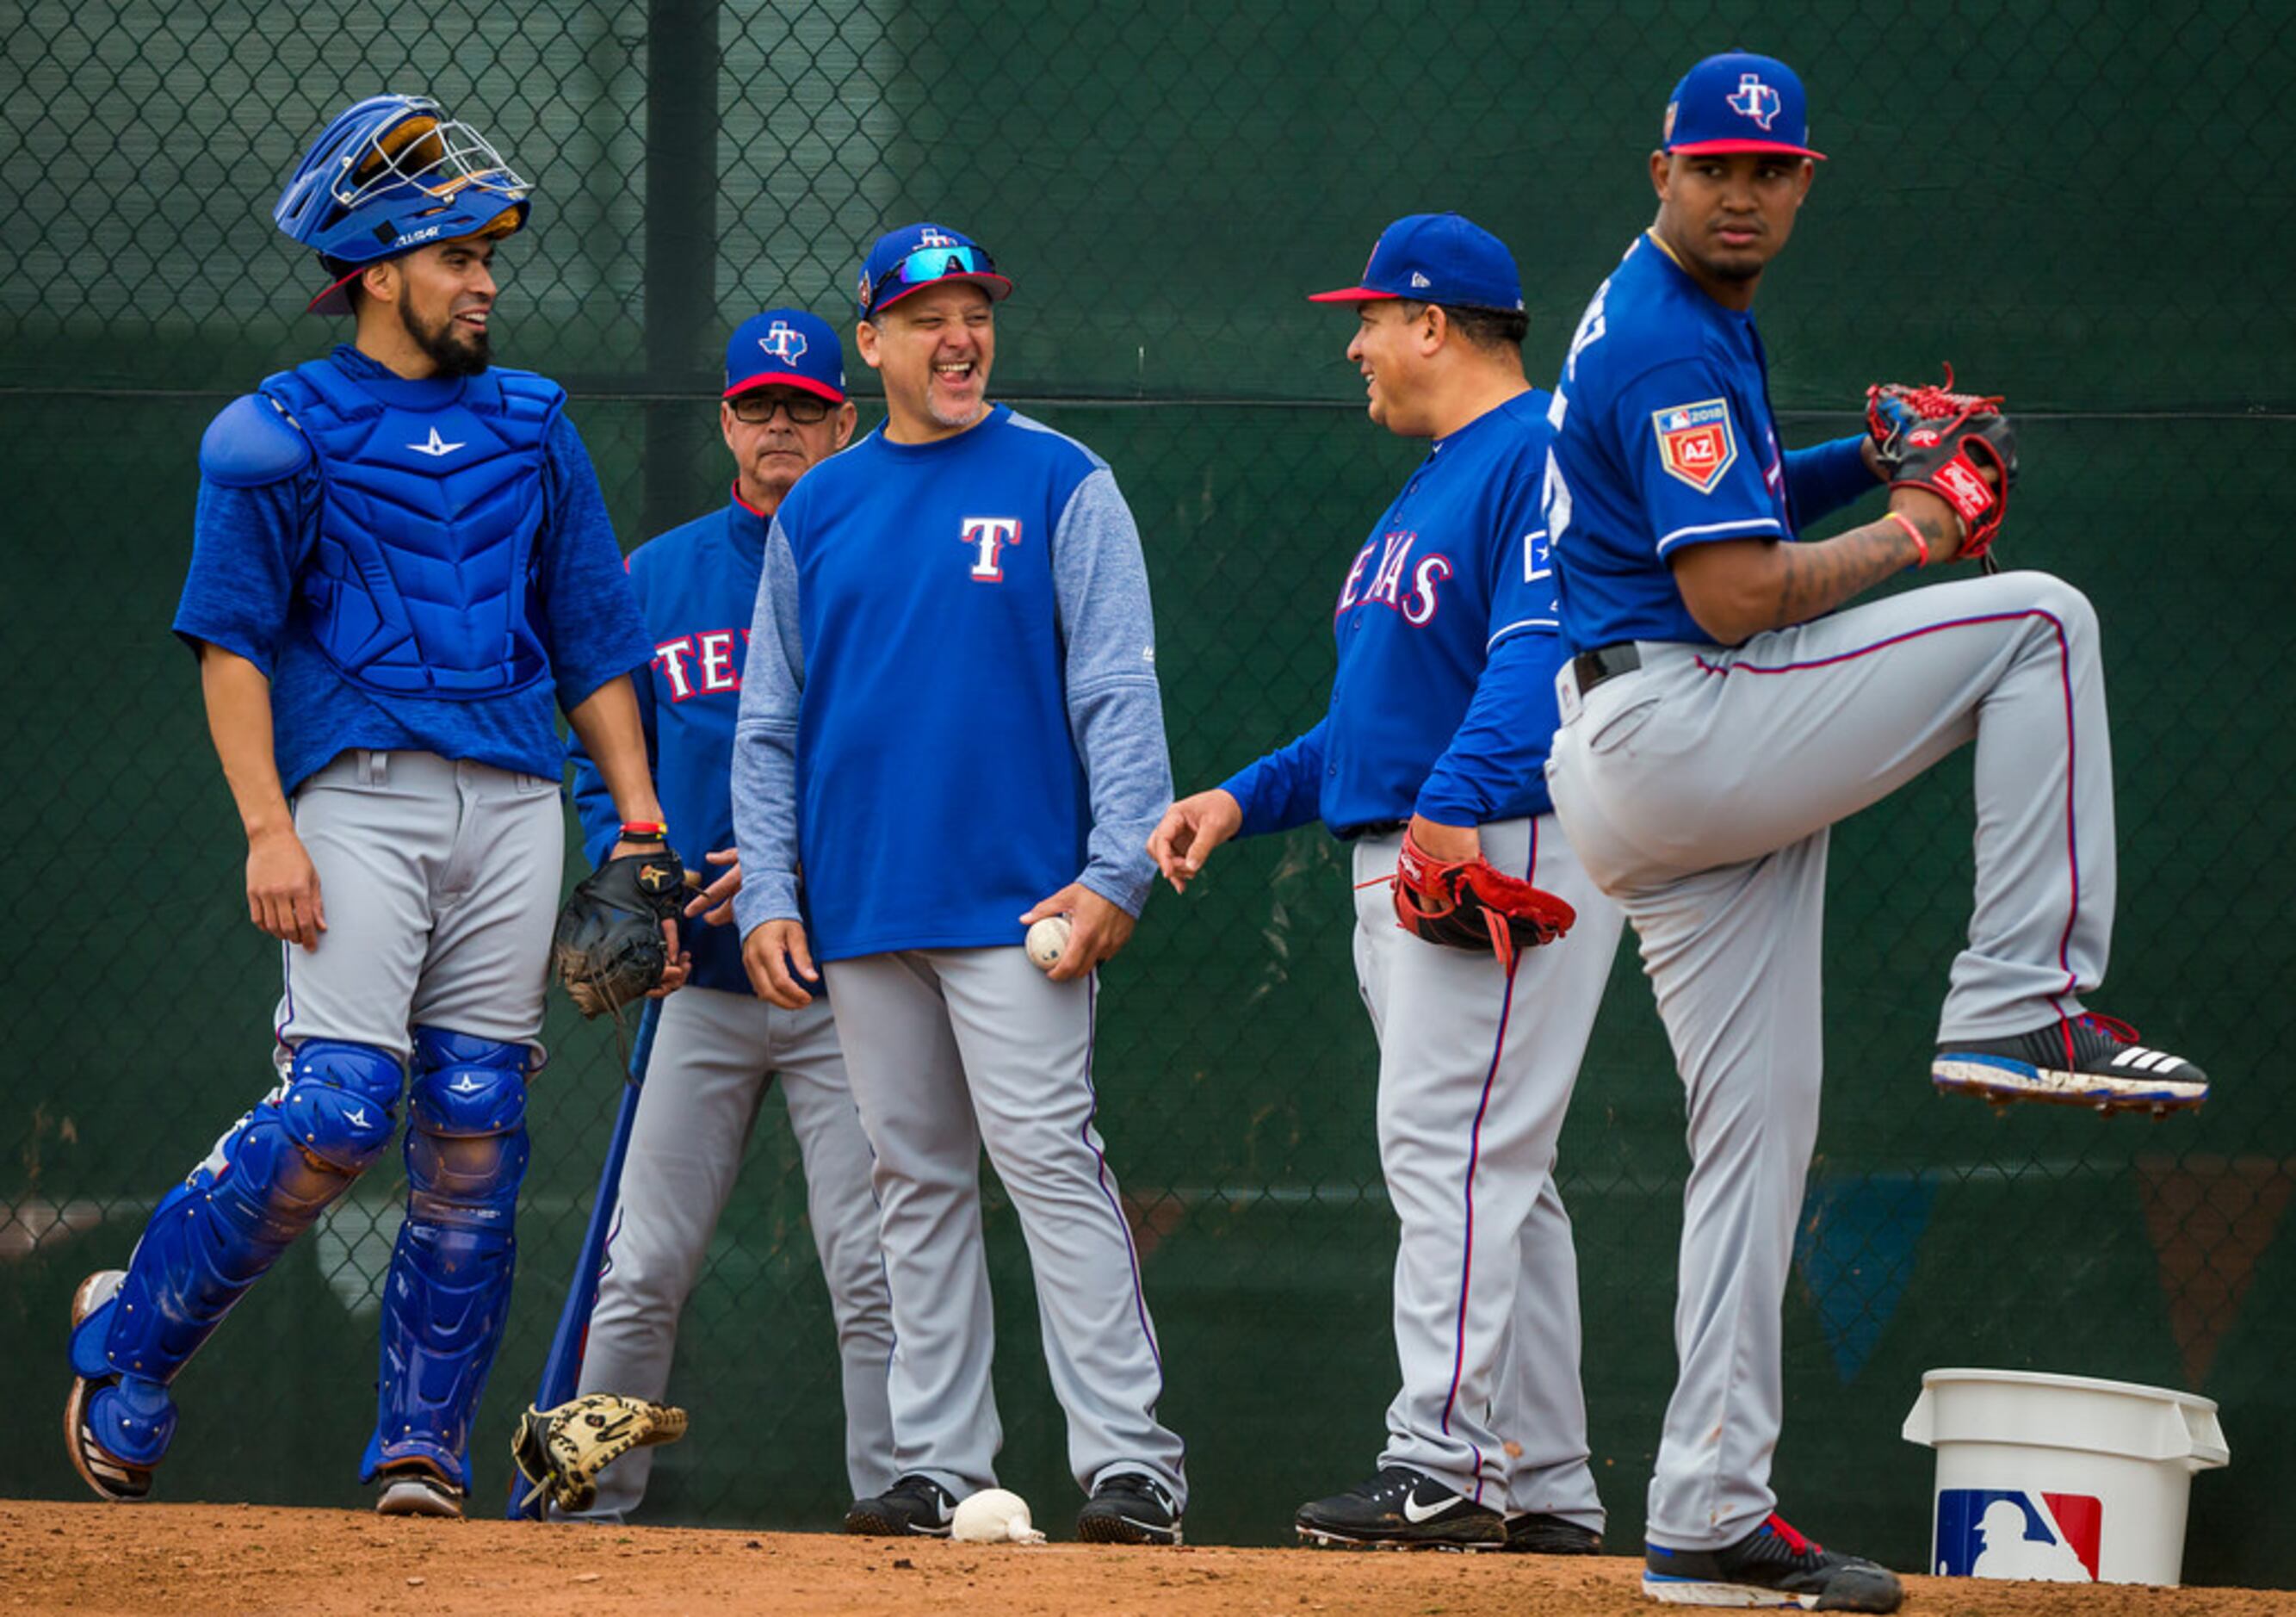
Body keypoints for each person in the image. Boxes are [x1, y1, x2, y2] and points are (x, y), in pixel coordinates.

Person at [1538, 51, 2206, 1610]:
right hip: (1685, 714)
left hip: (1654, 755)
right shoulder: (1664, 339)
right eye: (1715, 166)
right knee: (2038, 620)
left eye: (1771, 172)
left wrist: (1869, 460)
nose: (1743, 192)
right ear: (1661, 171)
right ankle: (2016, 1004)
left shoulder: (1687, 321)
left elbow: (1742, 500)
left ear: (1805, 181)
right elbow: (1736, 590)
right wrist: (1918, 523)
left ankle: (1705, 1513)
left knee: (1756, 1142)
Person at [63, 93, 665, 1519]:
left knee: (472, 1121)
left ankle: (420, 1449)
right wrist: (266, 824)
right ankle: (128, 1339)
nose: (486, 282)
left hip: (516, 800)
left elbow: (591, 637)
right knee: (338, 1111)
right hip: (357, 797)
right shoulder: (276, 429)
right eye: (460, 256)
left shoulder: (535, 421)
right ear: (381, 267)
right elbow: (230, 640)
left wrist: (635, 821)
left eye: (488, 259)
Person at [1146, 214, 1618, 1554]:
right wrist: (1241, 797)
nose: (1353, 344)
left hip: (1493, 840)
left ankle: (1449, 1459)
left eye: (1369, 318)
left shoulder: (1530, 453)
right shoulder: (1433, 481)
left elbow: (1541, 654)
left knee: (1455, 1159)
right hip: (1427, 837)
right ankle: (1547, 1483)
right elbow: (1373, 724)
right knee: (1499, 1171)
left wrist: (1453, 807)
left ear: (1434, 323)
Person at [729, 223, 1186, 1546]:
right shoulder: (816, 506)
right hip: (867, 907)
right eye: (926, 314)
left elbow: (1116, 689)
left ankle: (1130, 1466)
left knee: (1051, 1161)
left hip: (1020, 905)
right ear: (871, 342)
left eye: (974, 309)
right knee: (911, 1181)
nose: (959, 335)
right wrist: (770, 892)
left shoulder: (1061, 479)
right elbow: (769, 725)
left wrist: (1117, 874)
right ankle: (936, 1460)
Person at [558, 308, 894, 1521]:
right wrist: (630, 868)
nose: (781, 428)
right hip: (695, 979)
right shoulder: (657, 576)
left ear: (843, 421)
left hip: (840, 978)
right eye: (760, 406)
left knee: (870, 1265)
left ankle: (898, 1502)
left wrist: (788, 857)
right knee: (641, 1263)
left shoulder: (878, 566)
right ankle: (588, 1502)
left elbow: (903, 757)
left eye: (805, 407)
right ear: (725, 422)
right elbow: (606, 754)